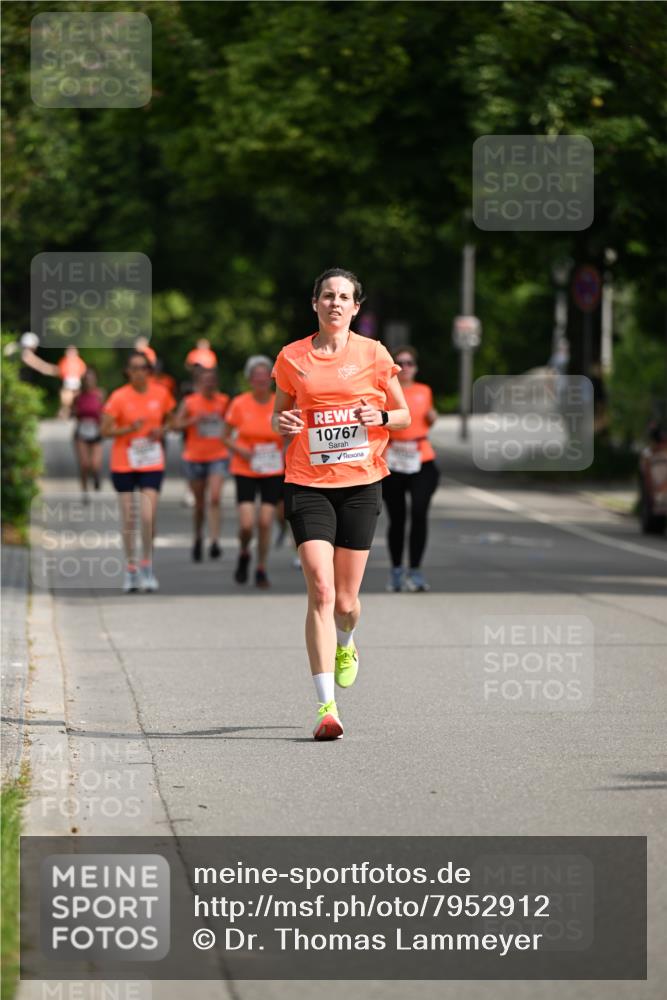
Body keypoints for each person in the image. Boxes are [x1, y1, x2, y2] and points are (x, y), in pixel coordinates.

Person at [272, 268, 410, 741]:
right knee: (321, 591)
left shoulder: (374, 354)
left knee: (347, 604)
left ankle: (346, 642)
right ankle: (326, 707)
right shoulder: (292, 357)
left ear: (355, 307)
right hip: (306, 482)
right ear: (315, 303)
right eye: (327, 295)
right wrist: (284, 423)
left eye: (344, 297)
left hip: (360, 484)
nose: (335, 303)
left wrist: (381, 415)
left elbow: (404, 414)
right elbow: (278, 414)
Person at [101, 351, 176, 593]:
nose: (139, 372)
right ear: (127, 372)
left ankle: (147, 565)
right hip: (124, 462)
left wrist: (161, 430)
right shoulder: (119, 397)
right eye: (134, 368)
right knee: (129, 519)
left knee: (147, 516)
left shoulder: (160, 393)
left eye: (143, 368)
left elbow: (172, 421)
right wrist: (127, 430)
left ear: (149, 371)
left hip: (151, 461)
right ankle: (131, 569)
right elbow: (105, 430)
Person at [222, 355, 285, 588]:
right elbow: (225, 436)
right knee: (247, 524)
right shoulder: (239, 404)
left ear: (271, 379)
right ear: (249, 380)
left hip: (272, 469)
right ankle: (244, 551)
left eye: (264, 377)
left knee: (266, 521)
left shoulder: (279, 403)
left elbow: (290, 433)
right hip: (245, 468)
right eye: (256, 377)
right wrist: (242, 450)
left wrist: (286, 450)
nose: (261, 381)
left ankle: (261, 567)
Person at [382, 345, 440, 592]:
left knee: (419, 512)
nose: (405, 367)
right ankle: (396, 570)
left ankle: (415, 570)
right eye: (401, 363)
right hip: (393, 459)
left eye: (410, 363)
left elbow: (426, 417)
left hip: (421, 459)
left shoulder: (424, 390)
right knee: (397, 518)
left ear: (415, 368)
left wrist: (432, 417)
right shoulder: (384, 391)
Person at [173, 367, 230, 561]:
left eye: (212, 380)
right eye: (205, 381)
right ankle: (198, 537)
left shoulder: (224, 401)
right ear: (198, 383)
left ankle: (214, 541)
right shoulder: (190, 402)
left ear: (216, 382)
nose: (209, 384)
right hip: (194, 457)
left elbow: (233, 423)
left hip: (218, 455)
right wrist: (193, 420)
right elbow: (175, 425)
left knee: (214, 498)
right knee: (199, 505)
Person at [72, 368, 106, 500]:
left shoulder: (100, 394)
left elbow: (105, 411)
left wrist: (103, 426)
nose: (89, 382)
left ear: (95, 380)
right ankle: (84, 491)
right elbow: (73, 413)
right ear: (83, 381)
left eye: (91, 379)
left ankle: (96, 476)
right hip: (82, 432)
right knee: (84, 464)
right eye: (86, 379)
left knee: (95, 464)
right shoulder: (78, 396)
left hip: (96, 430)